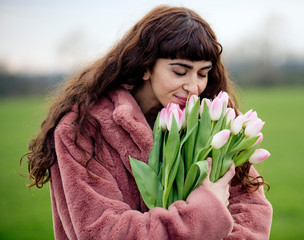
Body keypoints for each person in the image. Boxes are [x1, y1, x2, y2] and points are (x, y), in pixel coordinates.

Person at [24, 5, 272, 239]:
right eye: (179, 71)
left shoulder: (215, 123)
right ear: (145, 67)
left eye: (203, 73)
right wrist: (203, 214)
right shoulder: (82, 130)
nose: (194, 87)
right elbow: (103, 231)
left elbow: (253, 211)